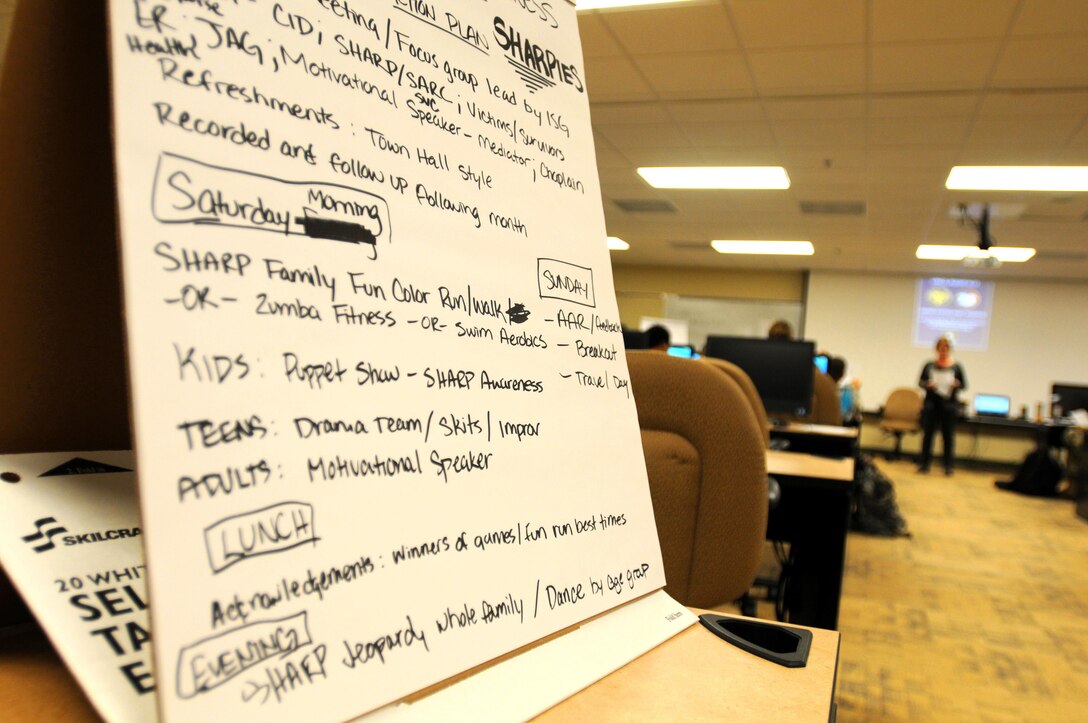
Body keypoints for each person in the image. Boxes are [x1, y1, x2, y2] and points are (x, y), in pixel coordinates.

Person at [917, 335, 967, 475]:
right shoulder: (929, 365)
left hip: (949, 406)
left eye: (946, 348)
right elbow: (920, 382)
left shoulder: (956, 367)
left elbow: (964, 385)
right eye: (941, 348)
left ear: (950, 350)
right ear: (937, 349)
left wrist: (956, 384)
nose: (943, 351)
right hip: (931, 405)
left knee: (948, 437)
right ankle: (924, 464)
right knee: (928, 436)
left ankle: (948, 466)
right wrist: (928, 384)